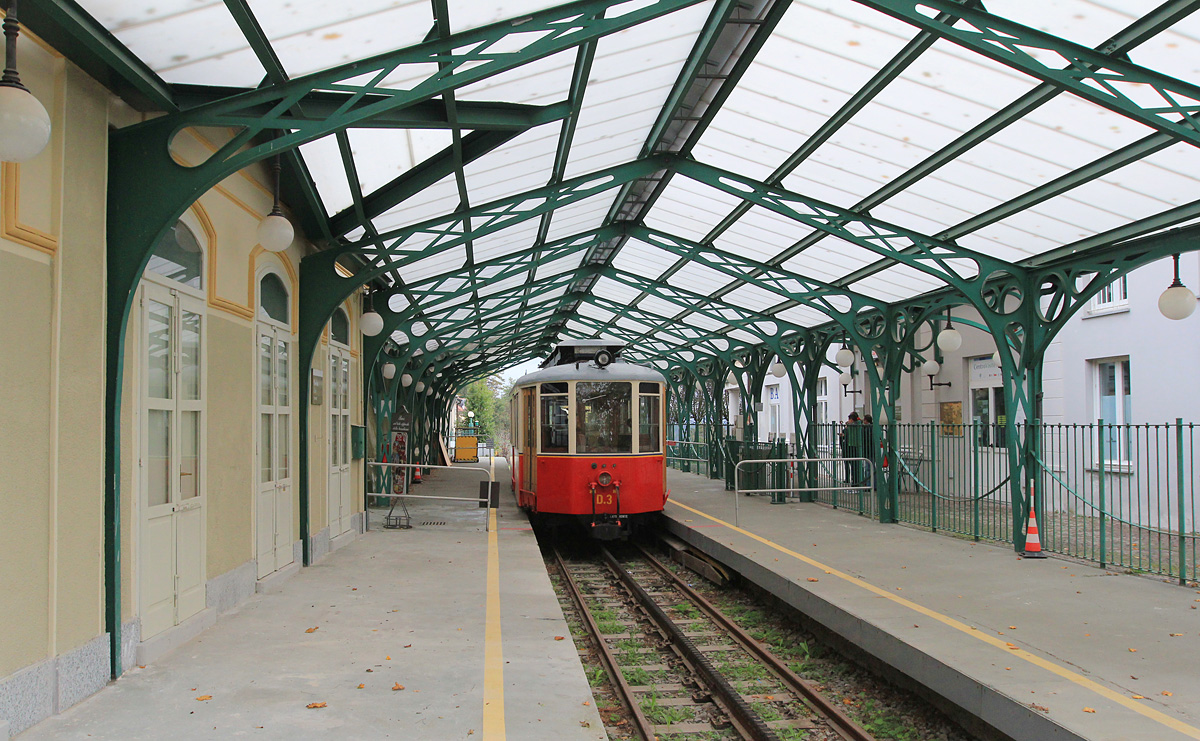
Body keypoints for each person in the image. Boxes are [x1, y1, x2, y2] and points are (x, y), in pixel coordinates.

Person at [841, 412, 862, 483]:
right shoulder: (858, 426)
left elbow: (847, 438)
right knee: (854, 466)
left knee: (852, 466)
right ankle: (853, 480)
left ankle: (853, 480)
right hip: (852, 449)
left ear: (851, 420)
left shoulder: (851, 428)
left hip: (850, 449)